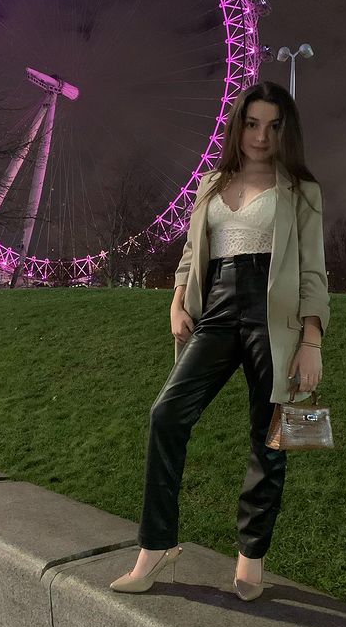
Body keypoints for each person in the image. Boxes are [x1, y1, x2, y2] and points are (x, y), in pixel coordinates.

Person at [110, 81, 330, 600]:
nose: (260, 135)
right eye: (251, 123)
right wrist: (177, 298)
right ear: (237, 127)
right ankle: (156, 546)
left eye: (273, 125)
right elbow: (192, 253)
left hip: (274, 319)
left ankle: (251, 558)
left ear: (286, 131)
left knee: (269, 438)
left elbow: (313, 270)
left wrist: (311, 339)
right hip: (217, 310)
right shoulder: (211, 184)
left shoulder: (301, 190)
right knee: (166, 414)